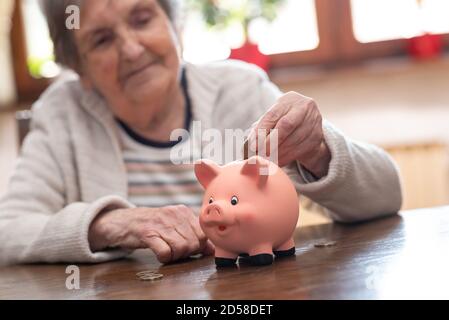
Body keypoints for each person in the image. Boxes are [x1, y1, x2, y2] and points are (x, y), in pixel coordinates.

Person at [0, 0, 402, 266]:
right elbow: (9, 232)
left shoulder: (240, 90)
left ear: (175, 26)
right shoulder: (61, 111)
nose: (132, 50)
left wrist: (318, 150)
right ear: (80, 70)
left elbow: (386, 197)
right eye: (102, 39)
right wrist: (111, 224)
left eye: (142, 19)